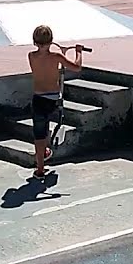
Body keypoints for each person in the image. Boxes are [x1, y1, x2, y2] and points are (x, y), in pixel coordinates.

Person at [28, 25, 83, 178]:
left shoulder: (31, 56)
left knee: (39, 132)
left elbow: (43, 67)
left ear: (34, 41)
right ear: (51, 41)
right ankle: (45, 151)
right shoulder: (57, 57)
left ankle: (40, 168)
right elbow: (77, 67)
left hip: (38, 98)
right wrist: (78, 52)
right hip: (51, 98)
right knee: (46, 126)